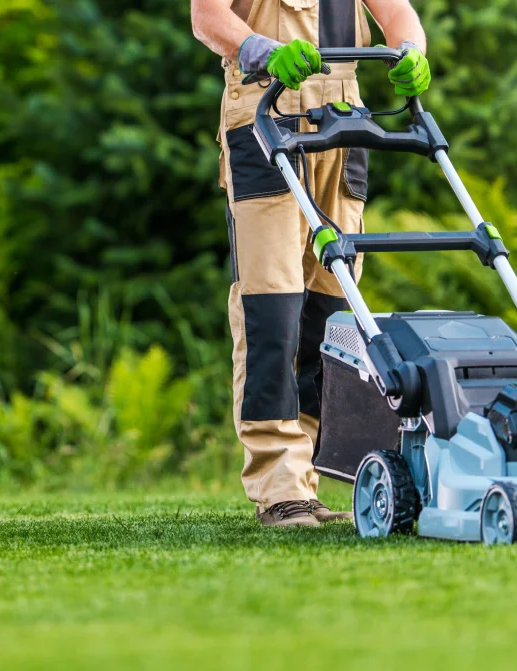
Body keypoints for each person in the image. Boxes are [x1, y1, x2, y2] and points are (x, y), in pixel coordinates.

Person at [191, 0, 431, 527]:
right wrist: (262, 51)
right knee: (271, 308)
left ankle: (310, 480)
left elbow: (399, 15)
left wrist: (412, 50)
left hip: (342, 126)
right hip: (264, 114)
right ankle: (279, 485)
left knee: (333, 313)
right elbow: (206, 16)